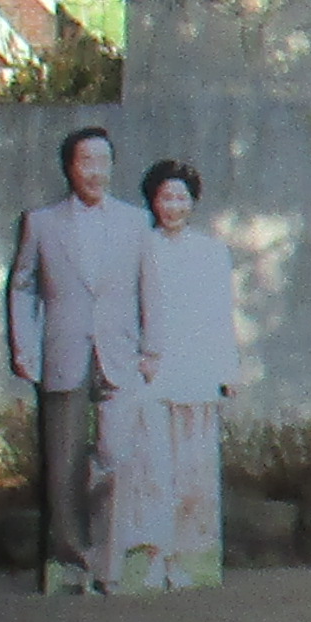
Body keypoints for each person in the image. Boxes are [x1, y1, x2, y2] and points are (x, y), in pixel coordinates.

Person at [0, 121, 146, 592]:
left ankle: (110, 557)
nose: (96, 171)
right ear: (69, 167)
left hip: (119, 351)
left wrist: (152, 349)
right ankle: (69, 559)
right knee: (63, 461)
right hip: (62, 350)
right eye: (87, 162)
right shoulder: (41, 222)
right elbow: (22, 286)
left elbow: (151, 289)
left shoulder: (135, 222)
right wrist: (24, 346)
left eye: (104, 161)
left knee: (115, 455)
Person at [107, 160, 237, 591]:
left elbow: (221, 314)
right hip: (154, 373)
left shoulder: (212, 251)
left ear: (193, 202)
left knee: (193, 472)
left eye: (182, 198)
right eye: (166, 198)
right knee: (154, 470)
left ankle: (184, 558)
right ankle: (153, 558)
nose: (174, 206)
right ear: (153, 201)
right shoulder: (140, 247)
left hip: (197, 370)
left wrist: (227, 370)